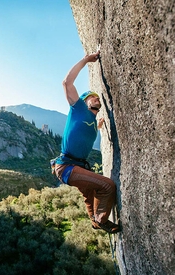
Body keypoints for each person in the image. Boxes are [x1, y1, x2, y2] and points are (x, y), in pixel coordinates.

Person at [53, 50, 120, 234]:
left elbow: (88, 129)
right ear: (84, 100)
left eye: (98, 97)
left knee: (89, 195)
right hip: (66, 167)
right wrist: (86, 60)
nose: (96, 97)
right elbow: (66, 83)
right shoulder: (78, 108)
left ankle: (93, 220)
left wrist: (98, 126)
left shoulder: (92, 123)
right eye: (92, 96)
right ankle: (101, 220)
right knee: (107, 186)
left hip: (78, 166)